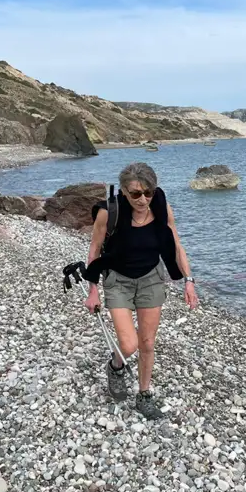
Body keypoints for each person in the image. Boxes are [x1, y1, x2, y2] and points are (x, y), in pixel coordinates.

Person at [82, 162, 199, 420]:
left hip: (150, 279)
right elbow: (93, 250)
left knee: (147, 343)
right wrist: (93, 290)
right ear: (124, 191)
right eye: (135, 193)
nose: (143, 199)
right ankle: (115, 367)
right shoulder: (108, 213)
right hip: (118, 280)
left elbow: (177, 245)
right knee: (129, 344)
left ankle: (144, 395)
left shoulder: (160, 208)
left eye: (148, 192)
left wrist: (189, 280)